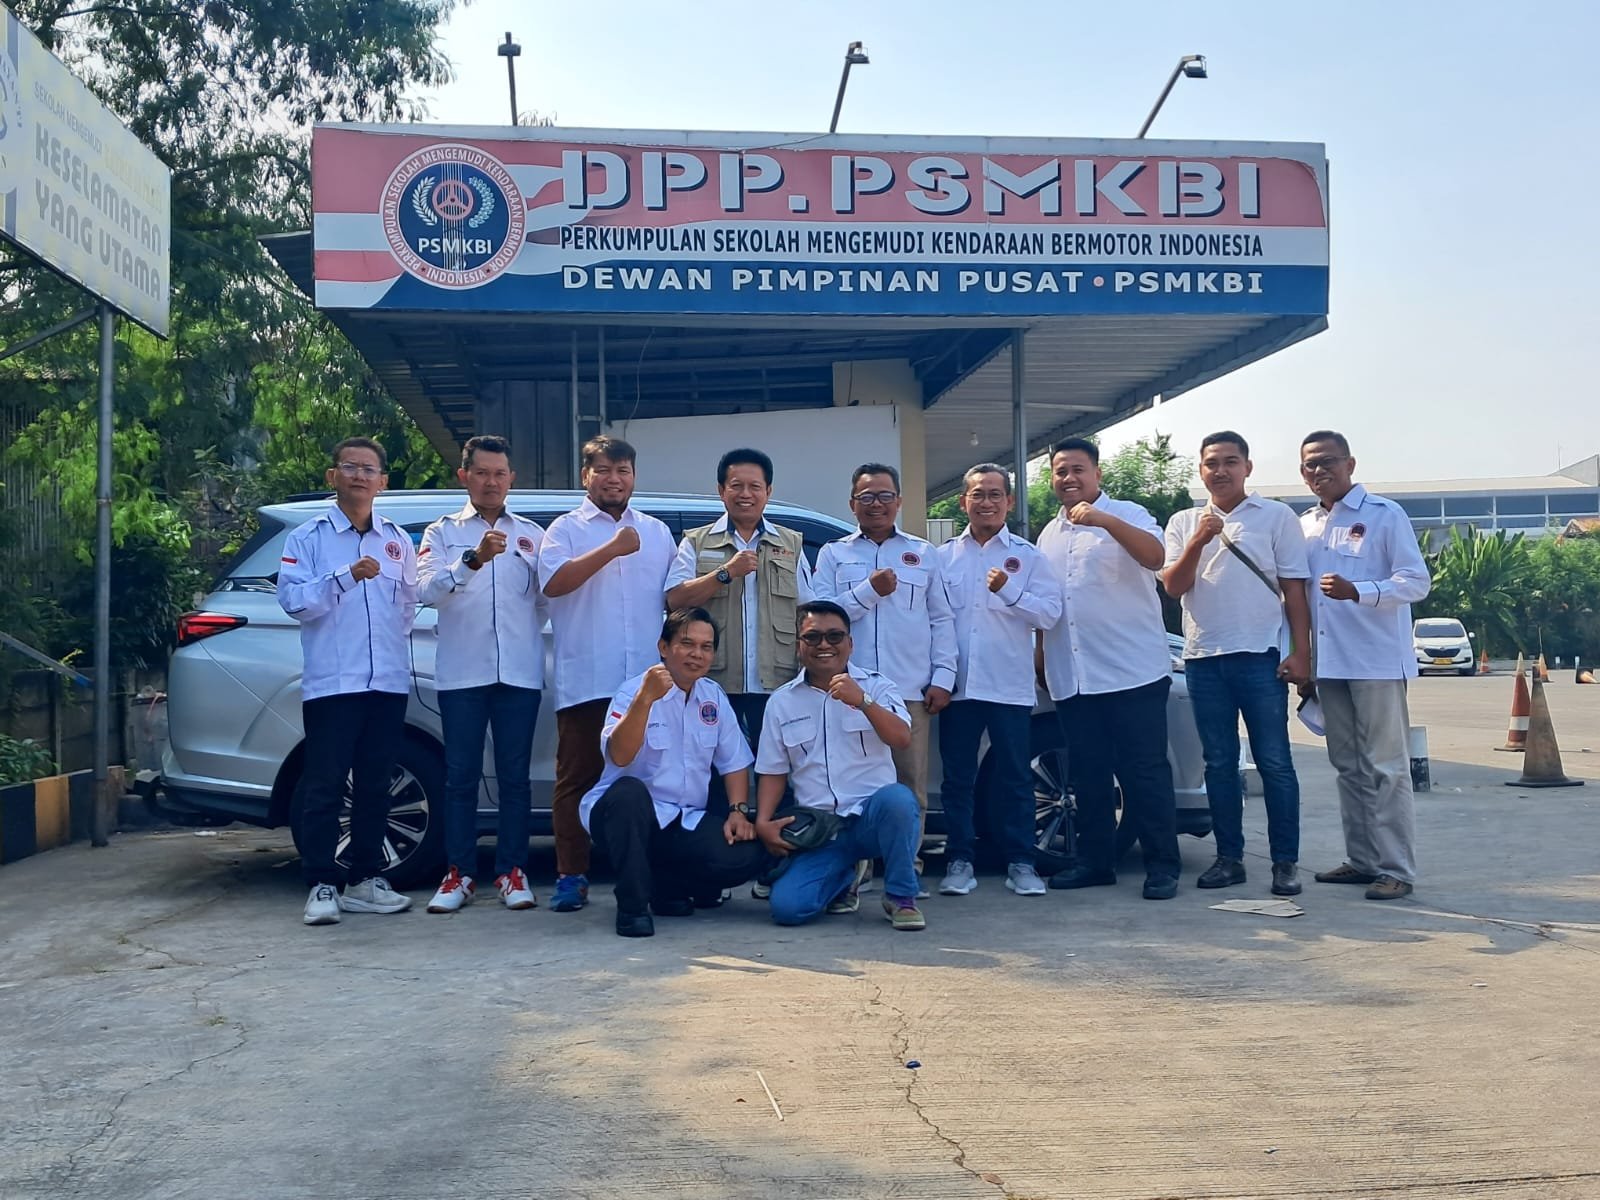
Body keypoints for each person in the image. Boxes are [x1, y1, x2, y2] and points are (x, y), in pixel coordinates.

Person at [1162, 431, 1313, 897]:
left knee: (1274, 762)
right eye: (1212, 463)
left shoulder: (1276, 517)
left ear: (1248, 467)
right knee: (1219, 763)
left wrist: (1301, 652)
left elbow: (1294, 589)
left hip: (1260, 657)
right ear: (1201, 470)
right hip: (1203, 659)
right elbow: (1174, 586)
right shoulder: (1184, 521)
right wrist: (1199, 539)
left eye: (1231, 461)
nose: (1221, 470)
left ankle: (1285, 863)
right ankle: (1229, 859)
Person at [278, 437, 417, 926]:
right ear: (332, 476)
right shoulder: (307, 539)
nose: (360, 476)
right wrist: (345, 576)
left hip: (387, 683)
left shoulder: (397, 539)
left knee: (376, 785)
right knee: (326, 784)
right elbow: (293, 602)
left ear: (383, 482)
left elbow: (405, 610)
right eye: (350, 467)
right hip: (334, 685)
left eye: (369, 469)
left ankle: (365, 879)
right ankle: (321, 883)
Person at [1035, 438, 1183, 900]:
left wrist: (1104, 521)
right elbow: (1049, 604)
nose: (1069, 478)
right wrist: (1041, 657)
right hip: (1074, 675)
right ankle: (1095, 862)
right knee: (1088, 773)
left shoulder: (1128, 514)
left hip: (1131, 671)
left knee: (1145, 772)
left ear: (1097, 474)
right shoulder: (1048, 535)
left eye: (1078, 469)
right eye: (1060, 471)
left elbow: (1156, 558)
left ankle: (1162, 866)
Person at [538, 436, 676, 913]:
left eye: (623, 470)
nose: (614, 479)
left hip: (645, 684)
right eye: (603, 470)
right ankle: (571, 875)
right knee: (576, 778)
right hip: (587, 677)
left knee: (649, 780)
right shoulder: (564, 529)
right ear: (586, 476)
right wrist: (613, 548)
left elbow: (674, 599)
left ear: (634, 476)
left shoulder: (656, 532)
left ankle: (647, 876)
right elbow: (553, 583)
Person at [581, 608, 772, 937]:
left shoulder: (712, 696)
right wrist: (645, 699)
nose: (697, 654)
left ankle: (667, 887)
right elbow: (619, 756)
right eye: (687, 644)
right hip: (626, 817)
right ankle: (632, 909)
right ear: (663, 647)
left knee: (747, 854)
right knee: (629, 793)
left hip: (682, 820)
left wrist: (738, 811)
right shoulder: (633, 691)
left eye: (706, 647)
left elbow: (735, 762)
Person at [417, 435, 547, 915]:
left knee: (515, 778)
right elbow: (425, 592)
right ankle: (459, 873)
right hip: (462, 674)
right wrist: (471, 560)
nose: (491, 482)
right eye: (482, 473)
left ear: (512, 479)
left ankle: (512, 871)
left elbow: (543, 602)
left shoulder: (532, 534)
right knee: (460, 778)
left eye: (499, 474)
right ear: (464, 476)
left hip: (519, 673)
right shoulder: (441, 533)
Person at [1298, 430, 1431, 900]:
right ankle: (1362, 860)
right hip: (1329, 664)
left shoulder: (1383, 514)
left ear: (1350, 464)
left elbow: (1416, 582)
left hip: (1376, 662)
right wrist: (1301, 660)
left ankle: (1396, 869)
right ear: (1302, 472)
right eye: (1311, 464)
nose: (1320, 471)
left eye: (1328, 461)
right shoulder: (1306, 526)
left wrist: (1361, 591)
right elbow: (1295, 598)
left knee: (1386, 767)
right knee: (1348, 767)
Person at [812, 463, 956, 893]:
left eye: (884, 495)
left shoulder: (924, 553)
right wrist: (868, 591)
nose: (876, 504)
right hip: (848, 690)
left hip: (909, 688)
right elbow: (820, 616)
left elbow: (942, 618)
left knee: (910, 787)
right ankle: (856, 871)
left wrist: (944, 676)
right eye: (867, 497)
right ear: (852, 503)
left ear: (899, 501)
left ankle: (905, 870)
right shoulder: (834, 554)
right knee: (853, 784)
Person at [753, 602, 926, 930]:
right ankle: (845, 878)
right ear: (799, 645)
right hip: (821, 831)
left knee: (900, 800)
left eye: (834, 636)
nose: (824, 645)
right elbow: (773, 771)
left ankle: (901, 896)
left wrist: (862, 701)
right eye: (812, 637)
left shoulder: (877, 686)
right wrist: (762, 822)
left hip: (871, 819)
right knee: (788, 909)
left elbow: (902, 738)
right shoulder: (781, 701)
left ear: (850, 643)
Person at [934, 463, 1062, 899]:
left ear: (1008, 501)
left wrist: (1010, 590)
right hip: (958, 686)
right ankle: (960, 860)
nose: (986, 502)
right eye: (977, 494)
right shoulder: (944, 557)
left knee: (1014, 777)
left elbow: (1050, 614)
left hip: (1008, 685)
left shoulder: (1029, 556)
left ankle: (1021, 862)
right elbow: (936, 620)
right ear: (963, 502)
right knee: (958, 780)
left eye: (994, 494)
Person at [665, 447, 814, 750]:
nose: (746, 494)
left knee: (776, 767)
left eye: (754, 486)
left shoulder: (790, 544)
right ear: (722, 491)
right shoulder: (696, 542)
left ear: (768, 491)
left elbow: (808, 612)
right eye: (736, 486)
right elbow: (675, 600)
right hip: (712, 683)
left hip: (777, 684)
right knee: (712, 767)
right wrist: (725, 573)